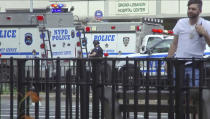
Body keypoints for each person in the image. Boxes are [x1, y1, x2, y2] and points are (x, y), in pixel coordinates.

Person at [166, 0, 210, 118]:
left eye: (193, 9)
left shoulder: (206, 24)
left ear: (200, 11)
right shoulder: (181, 22)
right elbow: (174, 44)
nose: (190, 11)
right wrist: (168, 60)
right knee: (178, 94)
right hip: (178, 64)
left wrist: (205, 34)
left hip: (194, 65)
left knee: (195, 95)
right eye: (189, 8)